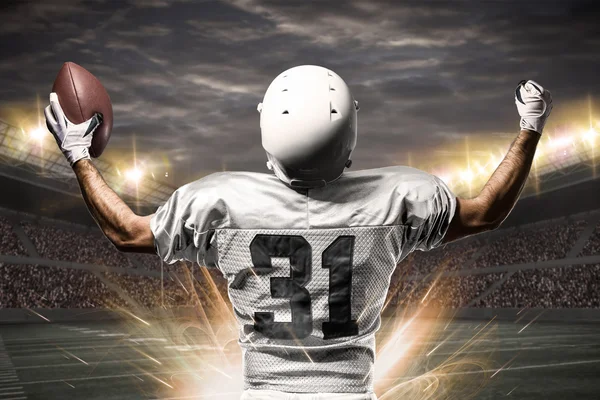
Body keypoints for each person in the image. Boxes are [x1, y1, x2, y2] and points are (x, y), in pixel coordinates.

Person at [44, 65, 552, 400]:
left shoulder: (222, 201)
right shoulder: (397, 195)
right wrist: (529, 128)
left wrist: (78, 155)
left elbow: (128, 232)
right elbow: (486, 211)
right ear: (350, 133)